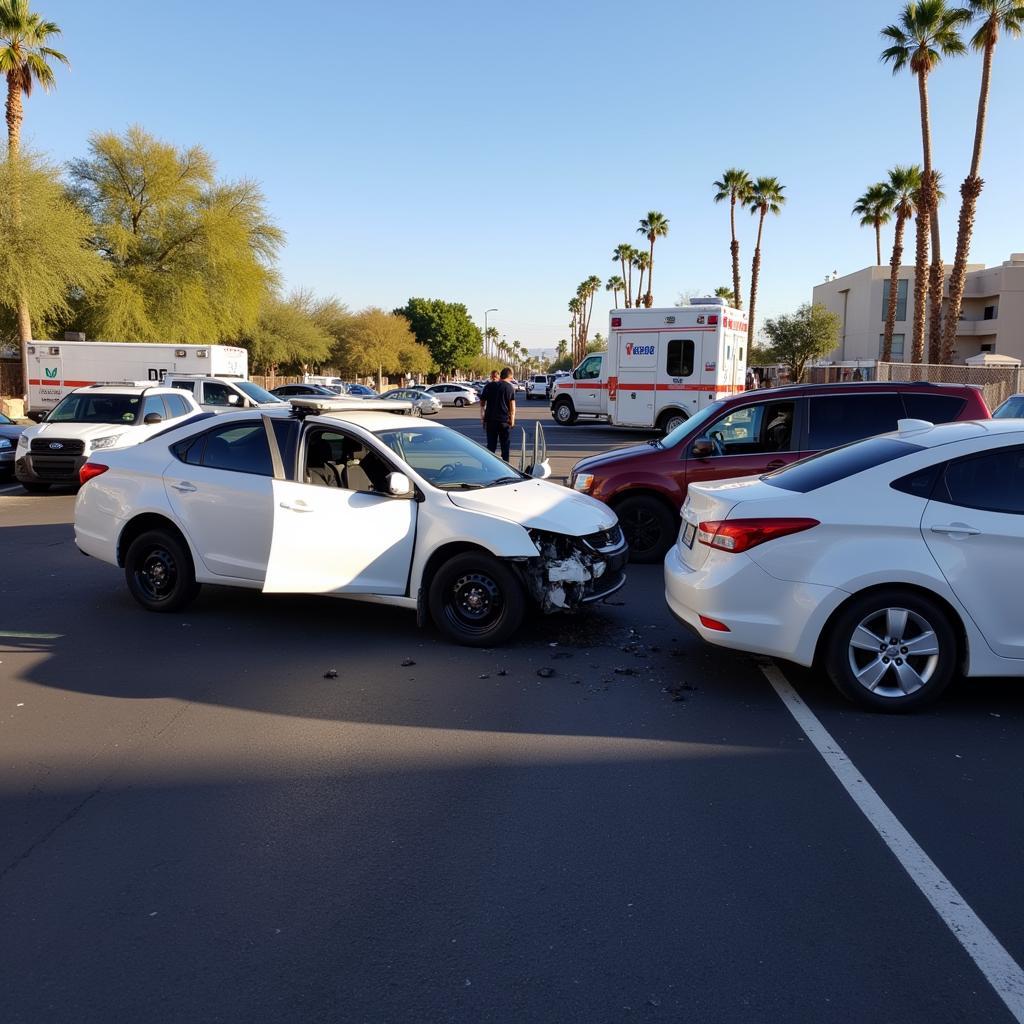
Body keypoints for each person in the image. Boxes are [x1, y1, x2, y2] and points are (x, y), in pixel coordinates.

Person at [480, 367, 516, 460]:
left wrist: (482, 417)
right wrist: (512, 419)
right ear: (510, 376)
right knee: (505, 447)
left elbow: (482, 403)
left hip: (490, 421)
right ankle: (506, 467)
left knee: (491, 447)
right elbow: (512, 406)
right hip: (504, 421)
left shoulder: (488, 386)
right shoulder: (509, 387)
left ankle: (490, 468)